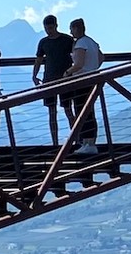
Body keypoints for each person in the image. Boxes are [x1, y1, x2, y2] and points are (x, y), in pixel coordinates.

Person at [32, 14, 75, 143]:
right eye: (46, 28)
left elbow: (76, 55)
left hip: (65, 79)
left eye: (50, 28)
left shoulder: (67, 40)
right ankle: (55, 142)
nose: (48, 31)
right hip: (48, 80)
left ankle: (76, 138)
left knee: (68, 109)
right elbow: (39, 59)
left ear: (56, 26)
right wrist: (34, 75)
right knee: (52, 112)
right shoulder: (43, 42)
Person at [64, 16, 103, 154]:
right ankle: (90, 142)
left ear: (76, 28)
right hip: (92, 79)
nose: (70, 32)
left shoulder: (81, 44)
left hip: (82, 81)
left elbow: (79, 64)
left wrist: (68, 72)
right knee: (90, 111)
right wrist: (93, 68)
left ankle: (87, 142)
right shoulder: (92, 42)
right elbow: (102, 57)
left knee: (82, 111)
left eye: (71, 29)